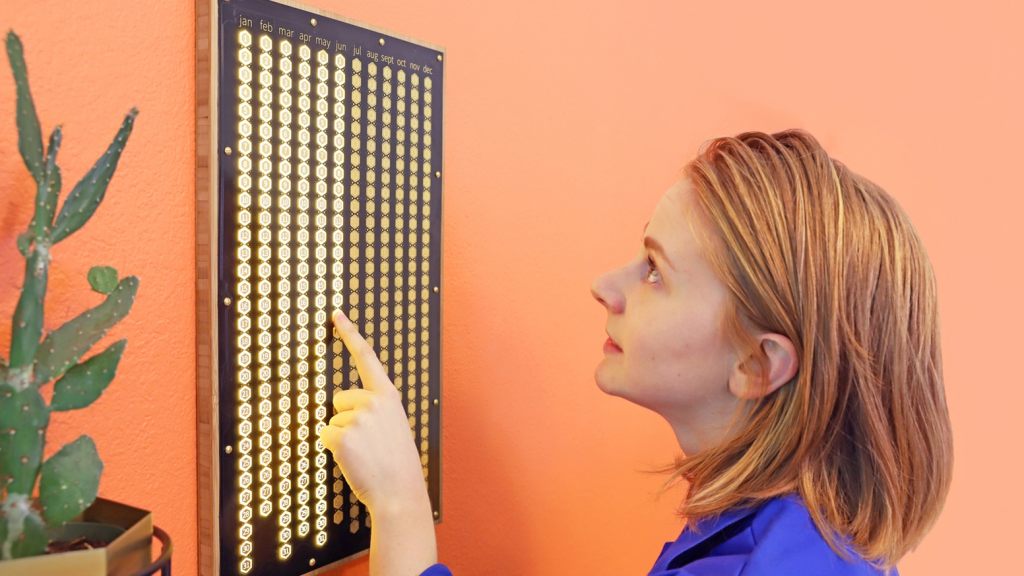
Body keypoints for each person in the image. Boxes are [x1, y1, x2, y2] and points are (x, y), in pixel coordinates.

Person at [319, 130, 953, 576]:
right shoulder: (808, 543)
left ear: (757, 365)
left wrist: (401, 506)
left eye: (655, 272)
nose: (605, 287)